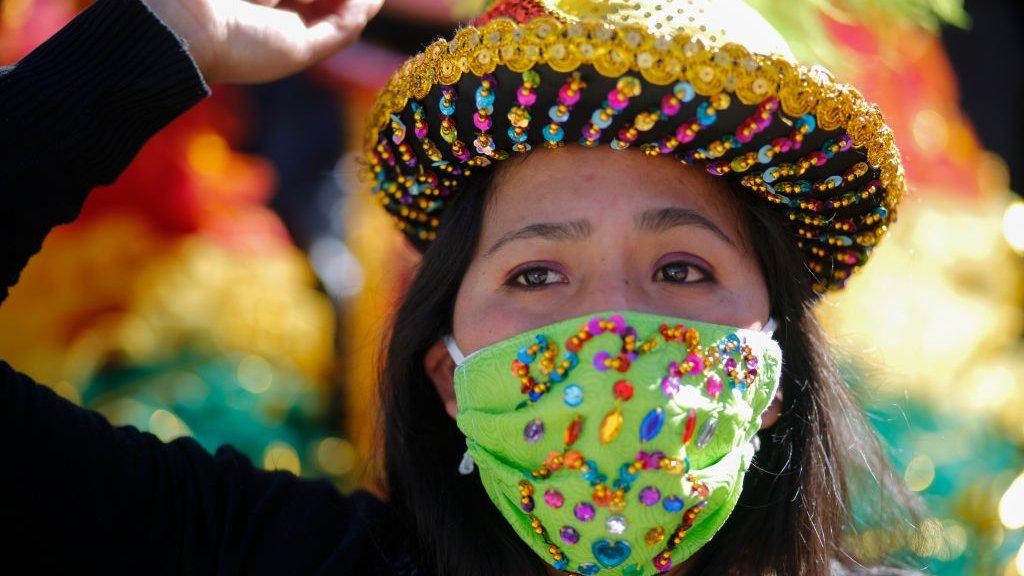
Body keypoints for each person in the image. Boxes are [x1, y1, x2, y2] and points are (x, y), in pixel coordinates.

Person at [0, 0, 922, 575]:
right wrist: (168, 37)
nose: (609, 321)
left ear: (774, 365)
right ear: (447, 374)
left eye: (682, 268)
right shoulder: (272, 556)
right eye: (536, 272)